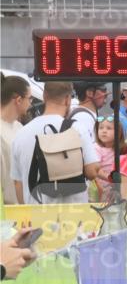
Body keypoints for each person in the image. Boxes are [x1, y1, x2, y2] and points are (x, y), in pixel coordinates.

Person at [10, 81, 102, 205]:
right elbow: (92, 171)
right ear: (67, 99)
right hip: (73, 214)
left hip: (36, 214)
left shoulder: (21, 133)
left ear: (44, 97)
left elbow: (17, 182)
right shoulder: (77, 128)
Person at [1, 74, 32, 204]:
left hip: (21, 210)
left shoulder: (19, 128)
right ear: (18, 100)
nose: (31, 103)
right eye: (29, 99)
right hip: (5, 213)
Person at [94, 116, 126, 202]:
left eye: (109, 128)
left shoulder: (120, 149)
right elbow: (96, 169)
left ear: (118, 132)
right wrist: (110, 179)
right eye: (100, 128)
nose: (104, 131)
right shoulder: (97, 148)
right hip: (101, 188)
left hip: (114, 189)